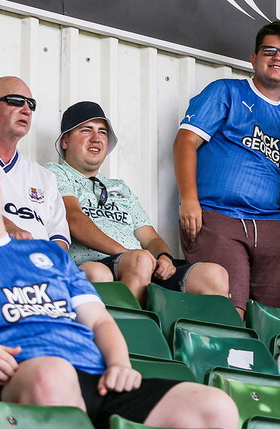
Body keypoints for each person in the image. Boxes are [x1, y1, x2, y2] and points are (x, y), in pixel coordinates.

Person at [0, 144, 238, 429]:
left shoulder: (49, 255)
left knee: (214, 406)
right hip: (18, 379)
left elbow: (99, 320)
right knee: (53, 374)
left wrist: (119, 364)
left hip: (95, 379)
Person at [174, 20, 280, 316]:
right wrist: (189, 200)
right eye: (269, 51)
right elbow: (185, 142)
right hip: (217, 213)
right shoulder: (226, 92)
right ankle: (232, 361)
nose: (277, 58)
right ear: (254, 58)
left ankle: (276, 360)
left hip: (269, 222)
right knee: (230, 308)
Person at [47, 101, 230, 306]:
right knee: (140, 261)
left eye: (102, 132)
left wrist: (164, 258)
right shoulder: (55, 173)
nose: (96, 138)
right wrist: (127, 254)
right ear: (65, 141)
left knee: (214, 275)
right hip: (96, 265)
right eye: (86, 130)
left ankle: (199, 339)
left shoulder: (119, 187)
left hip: (139, 264)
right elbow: (73, 219)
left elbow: (150, 237)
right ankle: (130, 335)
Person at [0, 76, 70, 249]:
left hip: (39, 268)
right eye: (17, 101)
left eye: (31, 104)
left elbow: (59, 238)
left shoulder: (45, 177)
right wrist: (8, 227)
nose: (27, 110)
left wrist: (48, 263)